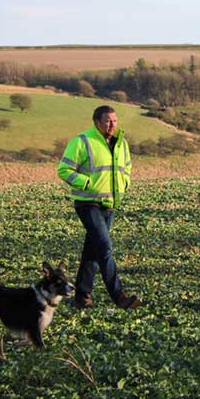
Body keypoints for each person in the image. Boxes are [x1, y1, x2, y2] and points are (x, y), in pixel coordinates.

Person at [57, 105, 140, 310]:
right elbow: (64, 170)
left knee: (92, 251)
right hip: (88, 203)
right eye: (107, 121)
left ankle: (82, 297)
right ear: (96, 122)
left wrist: (125, 184)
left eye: (114, 120)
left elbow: (126, 168)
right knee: (104, 248)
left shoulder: (121, 143)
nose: (112, 124)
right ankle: (119, 296)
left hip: (110, 204)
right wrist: (86, 184)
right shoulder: (82, 141)